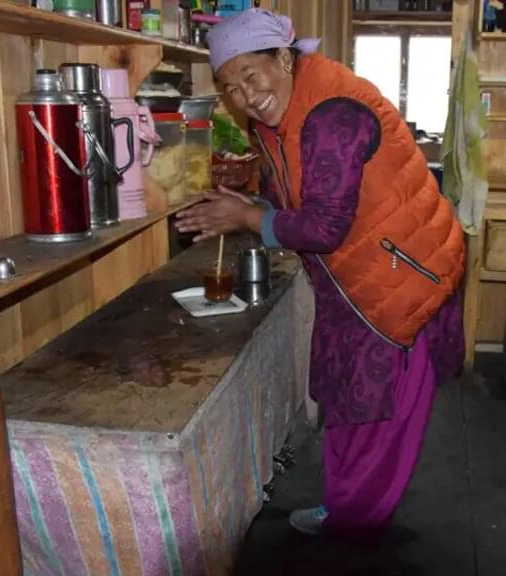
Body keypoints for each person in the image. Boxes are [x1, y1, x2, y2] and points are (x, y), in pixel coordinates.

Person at [174, 8, 466, 538]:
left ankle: (354, 531)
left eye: (250, 75)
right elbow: (294, 196)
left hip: (404, 281)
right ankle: (344, 509)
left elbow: (327, 226)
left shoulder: (334, 113)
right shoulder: (276, 117)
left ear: (283, 59)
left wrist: (247, 219)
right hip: (356, 279)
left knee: (378, 418)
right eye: (229, 88)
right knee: (347, 398)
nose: (245, 96)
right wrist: (253, 206)